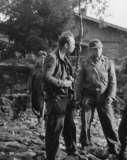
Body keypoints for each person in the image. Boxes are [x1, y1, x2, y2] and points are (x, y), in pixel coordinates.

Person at [42, 31, 86, 160]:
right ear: (66, 45)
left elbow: (60, 73)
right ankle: (52, 157)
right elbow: (45, 77)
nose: (74, 47)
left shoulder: (64, 57)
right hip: (56, 100)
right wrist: (63, 83)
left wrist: (68, 78)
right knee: (55, 129)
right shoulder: (52, 57)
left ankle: (72, 152)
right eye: (73, 45)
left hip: (65, 99)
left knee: (69, 126)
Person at [75, 39, 119, 156]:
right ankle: (85, 144)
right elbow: (79, 81)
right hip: (88, 95)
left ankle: (112, 145)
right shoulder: (85, 63)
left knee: (108, 121)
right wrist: (78, 98)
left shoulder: (108, 62)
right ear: (90, 50)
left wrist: (111, 96)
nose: (97, 51)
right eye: (94, 49)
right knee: (85, 120)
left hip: (104, 96)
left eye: (99, 49)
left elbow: (113, 81)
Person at [27, 51, 47, 122]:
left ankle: (45, 118)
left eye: (44, 58)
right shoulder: (34, 68)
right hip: (35, 88)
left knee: (42, 104)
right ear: (38, 58)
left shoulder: (47, 68)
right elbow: (30, 78)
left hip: (43, 89)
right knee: (35, 103)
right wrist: (29, 88)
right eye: (41, 58)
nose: (43, 59)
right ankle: (39, 118)